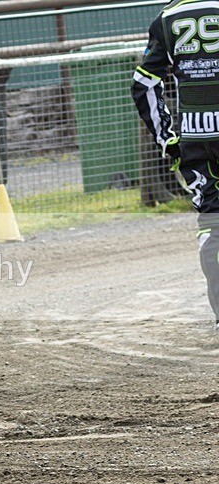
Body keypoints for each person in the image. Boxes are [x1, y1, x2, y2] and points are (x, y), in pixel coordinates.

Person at [133, 0, 219, 329]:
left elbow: (143, 84)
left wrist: (167, 139)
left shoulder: (167, 17)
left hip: (196, 140)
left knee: (212, 223)